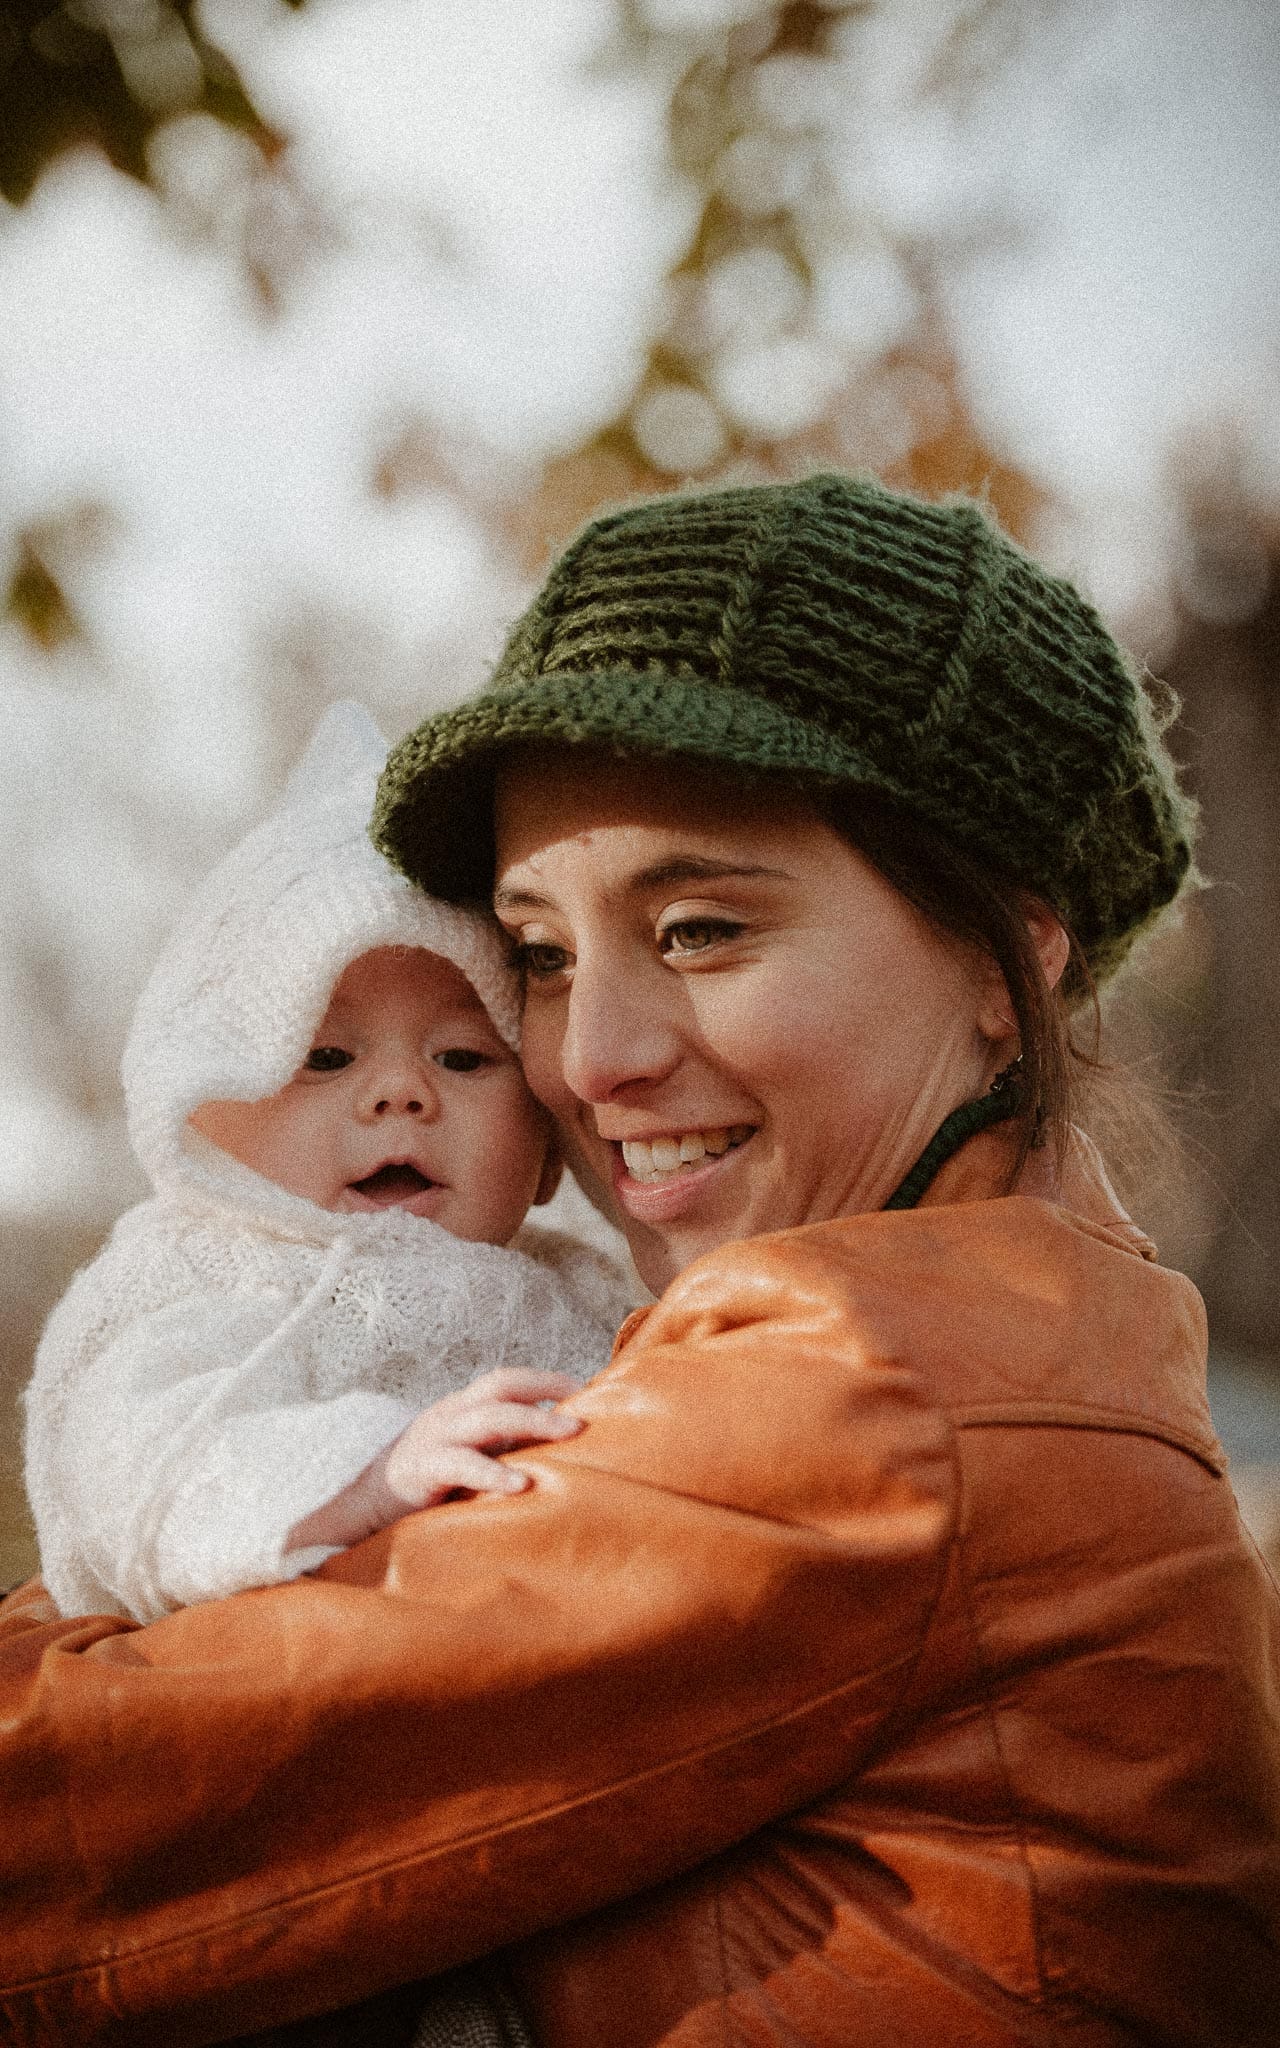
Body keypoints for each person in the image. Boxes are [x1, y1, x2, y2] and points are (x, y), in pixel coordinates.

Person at [2, 471, 1278, 2048]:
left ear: (1007, 966)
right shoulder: (1060, 1321)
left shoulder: (870, 1390)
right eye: (538, 957)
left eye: (699, 932)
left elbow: (76, 1827)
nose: (587, 1057)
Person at [23, 700, 627, 1625]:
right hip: (286, 1678)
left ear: (547, 1153)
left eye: (463, 1058)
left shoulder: (585, 1289)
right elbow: (132, 1456)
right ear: (212, 1124)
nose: (401, 1097)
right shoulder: (209, 1276)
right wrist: (373, 1471)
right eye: (327, 1058)